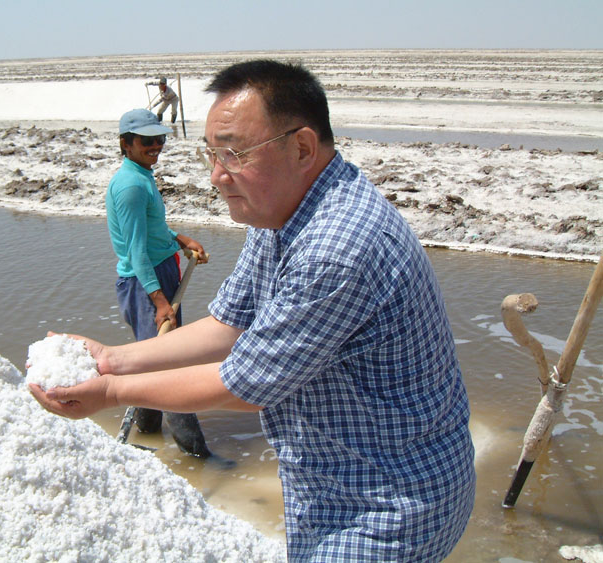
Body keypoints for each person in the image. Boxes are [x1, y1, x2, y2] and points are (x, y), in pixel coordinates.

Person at [30, 61, 476, 561]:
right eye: (211, 155)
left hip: (388, 501)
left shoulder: (338, 244)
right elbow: (229, 324)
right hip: (330, 483)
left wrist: (109, 391)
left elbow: (244, 383)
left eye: (234, 154)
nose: (218, 177)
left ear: (303, 148)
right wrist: (112, 358)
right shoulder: (279, 214)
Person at [105, 107, 211, 458]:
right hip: (145, 283)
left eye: (159, 138)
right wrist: (160, 301)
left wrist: (181, 240)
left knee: (153, 361)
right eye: (147, 140)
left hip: (160, 274)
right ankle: (196, 455)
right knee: (169, 369)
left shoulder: (141, 175)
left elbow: (152, 229)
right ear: (126, 143)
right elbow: (136, 253)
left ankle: (147, 432)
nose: (156, 146)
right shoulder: (131, 185)